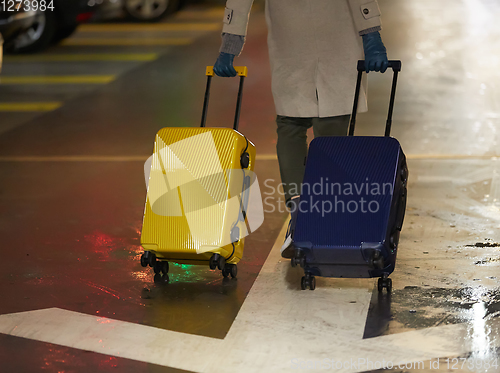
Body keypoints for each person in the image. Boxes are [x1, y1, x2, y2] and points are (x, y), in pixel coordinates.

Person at [214, 0, 389, 258]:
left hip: (321, 41)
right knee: (307, 127)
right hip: (314, 40)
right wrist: (371, 33)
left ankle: (310, 216)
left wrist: (372, 35)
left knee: (299, 128)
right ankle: (305, 215)